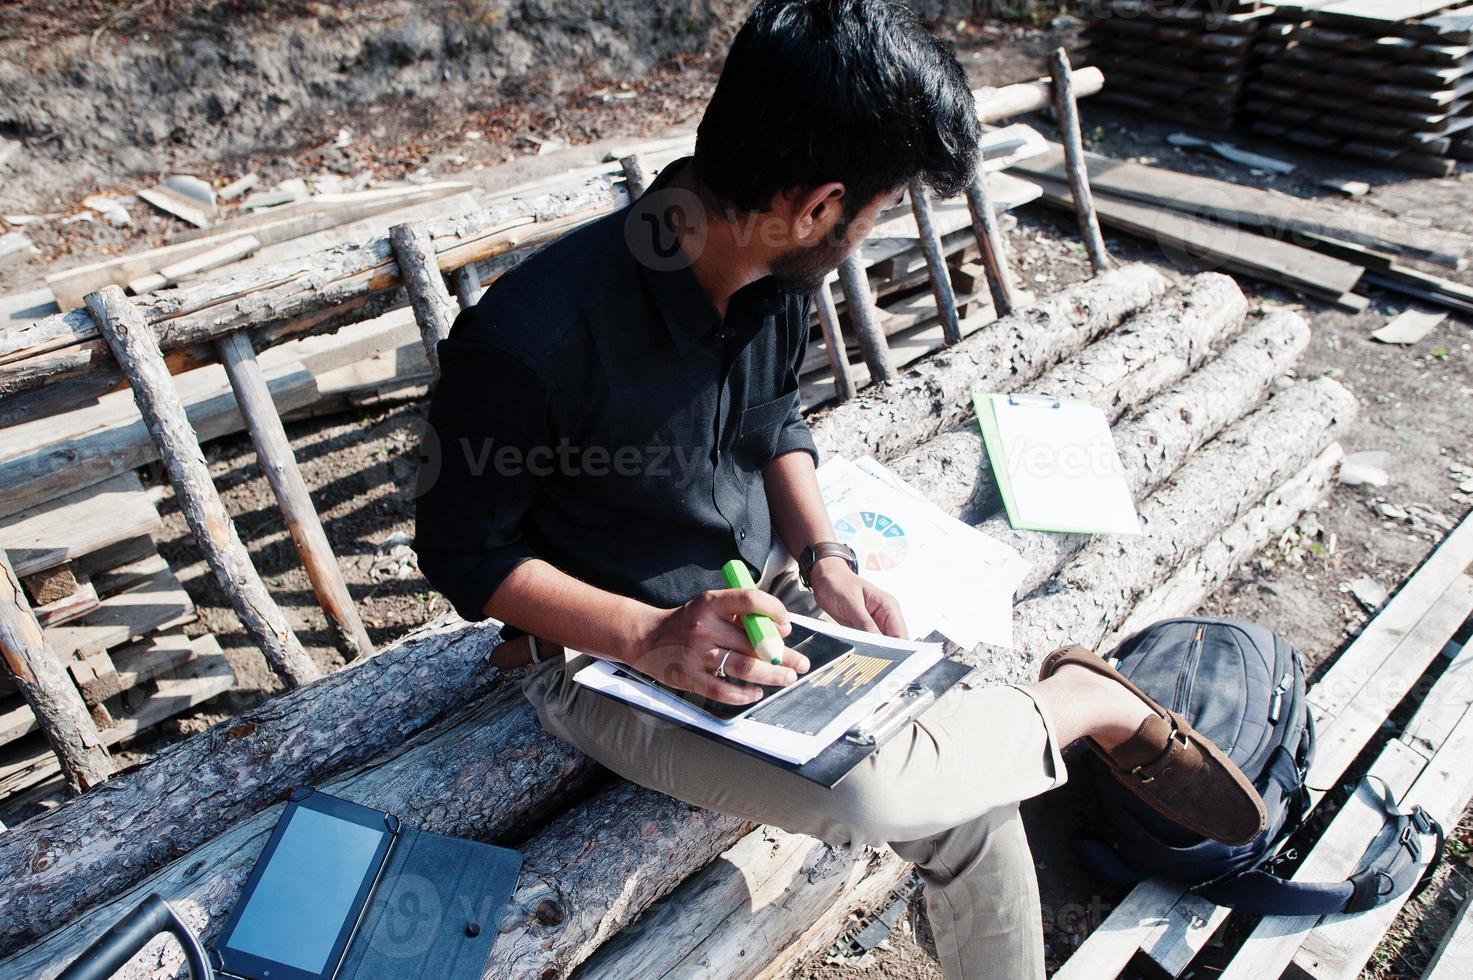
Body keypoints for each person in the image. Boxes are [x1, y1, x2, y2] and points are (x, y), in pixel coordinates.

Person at [414, 2, 1266, 976]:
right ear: (819, 205)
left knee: (965, 803)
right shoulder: (529, 339)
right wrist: (651, 635)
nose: (873, 228)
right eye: (881, 205)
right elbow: (462, 552)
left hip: (759, 604)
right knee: (877, 796)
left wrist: (826, 557)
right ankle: (1078, 704)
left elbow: (772, 414)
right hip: (600, 658)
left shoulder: (761, 267)